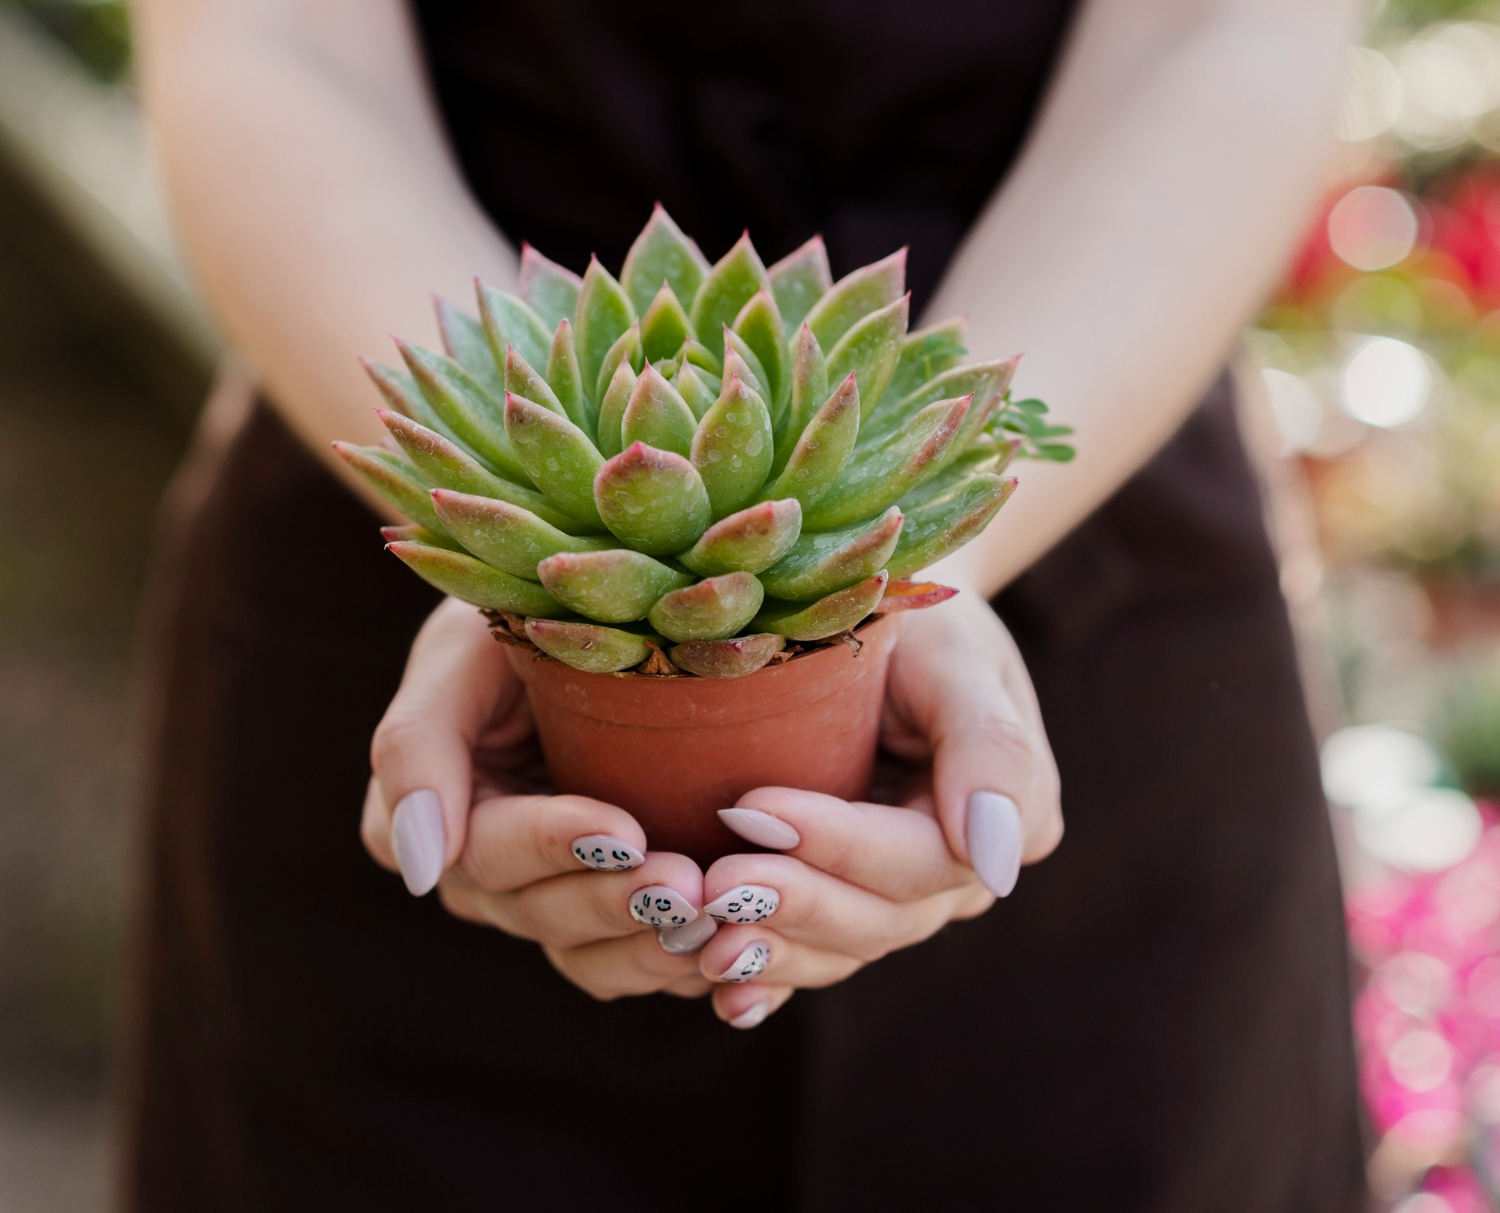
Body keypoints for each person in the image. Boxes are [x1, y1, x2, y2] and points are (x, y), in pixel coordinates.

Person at [125, 0, 1366, 1208]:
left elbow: (1220, 29)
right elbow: (269, 38)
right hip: (416, 454)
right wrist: (502, 547)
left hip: (1081, 460)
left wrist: (936, 544)